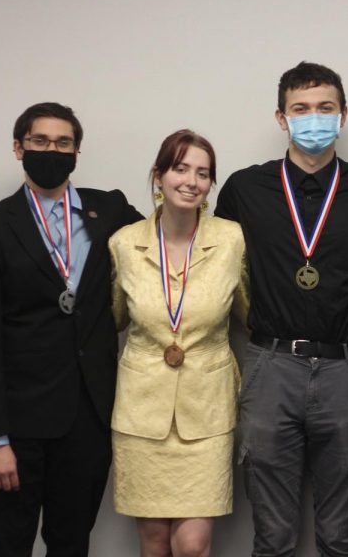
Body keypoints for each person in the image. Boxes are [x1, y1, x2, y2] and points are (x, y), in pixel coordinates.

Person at [0, 102, 141, 556]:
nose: (52, 150)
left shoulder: (110, 210)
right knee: (9, 544)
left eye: (63, 143)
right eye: (40, 141)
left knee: (72, 543)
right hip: (17, 426)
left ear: (77, 151)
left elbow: (163, 243)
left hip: (88, 418)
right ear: (19, 148)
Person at [215, 61, 348, 556]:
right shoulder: (246, 189)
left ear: (344, 115)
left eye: (325, 108)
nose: (314, 118)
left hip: (347, 367)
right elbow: (203, 254)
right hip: (269, 366)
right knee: (273, 537)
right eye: (302, 109)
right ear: (281, 117)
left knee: (340, 536)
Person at [108, 129, 249, 557]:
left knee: (192, 545)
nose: (191, 181)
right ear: (158, 176)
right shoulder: (124, 244)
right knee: (153, 544)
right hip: (140, 413)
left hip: (206, 411)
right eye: (180, 168)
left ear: (210, 184)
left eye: (203, 173)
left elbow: (253, 314)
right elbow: (111, 321)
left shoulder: (231, 239)